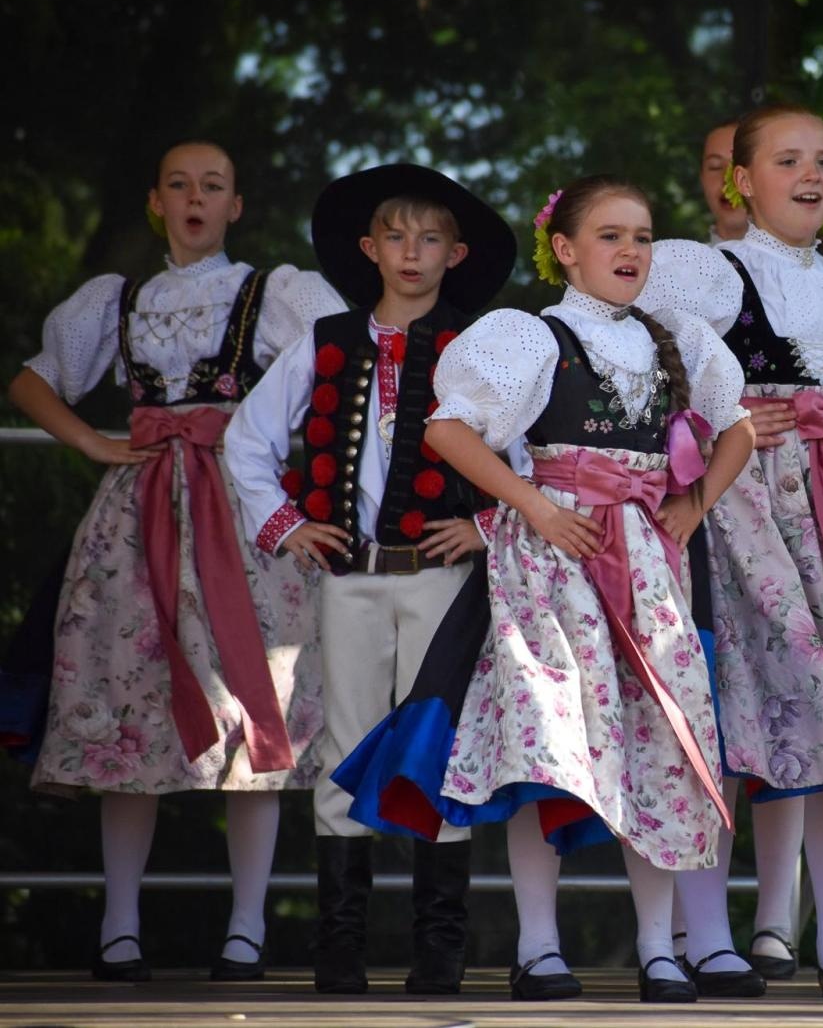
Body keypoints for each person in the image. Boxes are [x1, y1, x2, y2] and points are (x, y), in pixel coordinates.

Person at [329, 174, 756, 1003]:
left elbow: (735, 426)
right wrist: (532, 504)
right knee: (550, 752)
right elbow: (445, 427)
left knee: (654, 744)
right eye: (610, 235)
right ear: (564, 249)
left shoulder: (678, 341)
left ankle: (658, 948)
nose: (630, 250)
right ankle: (538, 946)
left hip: (643, 566)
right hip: (552, 564)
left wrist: (691, 505)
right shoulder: (530, 336)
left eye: (641, 235)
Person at [12, 140, 342, 981]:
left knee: (249, 703)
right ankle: (120, 925)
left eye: (214, 186)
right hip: (138, 517)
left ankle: (246, 926)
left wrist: (286, 445)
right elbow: (32, 380)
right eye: (180, 185)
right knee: (132, 705)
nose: (196, 197)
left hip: (240, 514)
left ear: (237, 205)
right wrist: (91, 438)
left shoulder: (270, 294)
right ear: (156, 201)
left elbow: (346, 361)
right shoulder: (117, 299)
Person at [639, 102, 823, 999]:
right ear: (741, 179)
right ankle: (711, 936)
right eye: (788, 160)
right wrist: (718, 429)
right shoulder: (705, 273)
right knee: (727, 711)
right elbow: (639, 369)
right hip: (737, 516)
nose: (812, 175)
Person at [223, 163, 515, 995]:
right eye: (396, 235)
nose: (412, 252)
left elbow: (530, 459)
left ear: (456, 252)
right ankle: (340, 951)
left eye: (430, 238)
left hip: (442, 579)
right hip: (349, 580)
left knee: (439, 748)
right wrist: (289, 526)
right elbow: (246, 444)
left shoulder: (485, 347)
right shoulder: (326, 340)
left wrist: (486, 523)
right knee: (345, 746)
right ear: (369, 247)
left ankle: (439, 951)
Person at [667, 117, 808, 989]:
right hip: (706, 512)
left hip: (801, 511)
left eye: (737, 164)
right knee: (709, 706)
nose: (729, 181)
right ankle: (695, 926)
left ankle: (778, 921)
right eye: (715, 166)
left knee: (791, 695)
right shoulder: (671, 278)